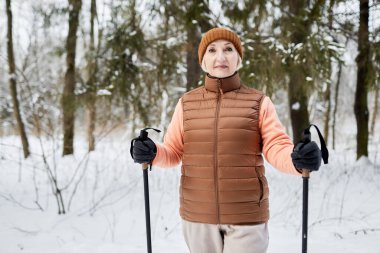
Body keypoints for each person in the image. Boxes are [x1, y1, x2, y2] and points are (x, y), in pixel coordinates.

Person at [131, 27, 322, 253]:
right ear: (203, 61)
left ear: (238, 59)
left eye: (228, 49)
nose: (220, 57)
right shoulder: (186, 103)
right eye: (212, 50)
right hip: (198, 215)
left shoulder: (259, 102)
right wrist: (152, 152)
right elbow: (172, 152)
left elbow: (275, 146)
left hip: (246, 216)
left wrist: (296, 159)